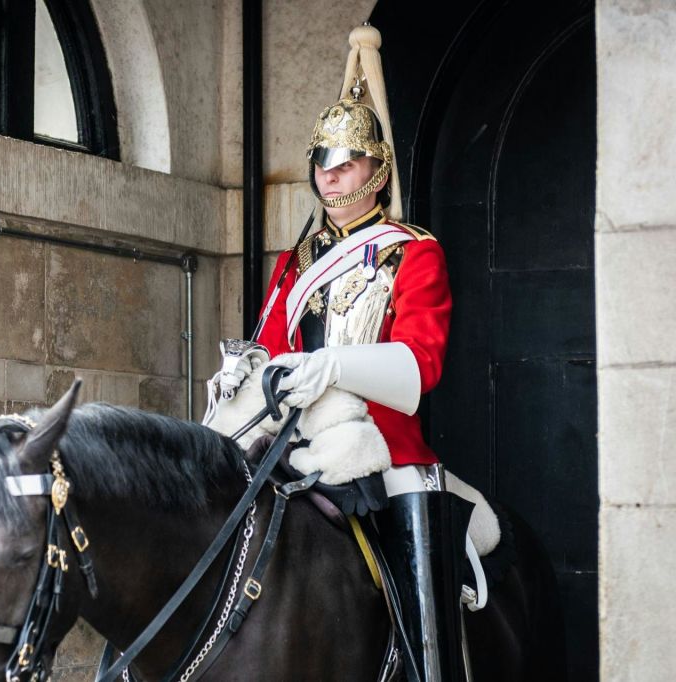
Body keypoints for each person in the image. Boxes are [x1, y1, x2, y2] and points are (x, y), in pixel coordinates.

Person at [207, 24, 475, 682]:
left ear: (377, 171)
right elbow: (273, 353)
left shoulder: (414, 252)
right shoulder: (295, 262)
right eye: (323, 162)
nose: (331, 175)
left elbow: (420, 367)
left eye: (347, 162)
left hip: (383, 444)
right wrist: (239, 378)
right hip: (298, 440)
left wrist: (335, 366)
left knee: (419, 573)